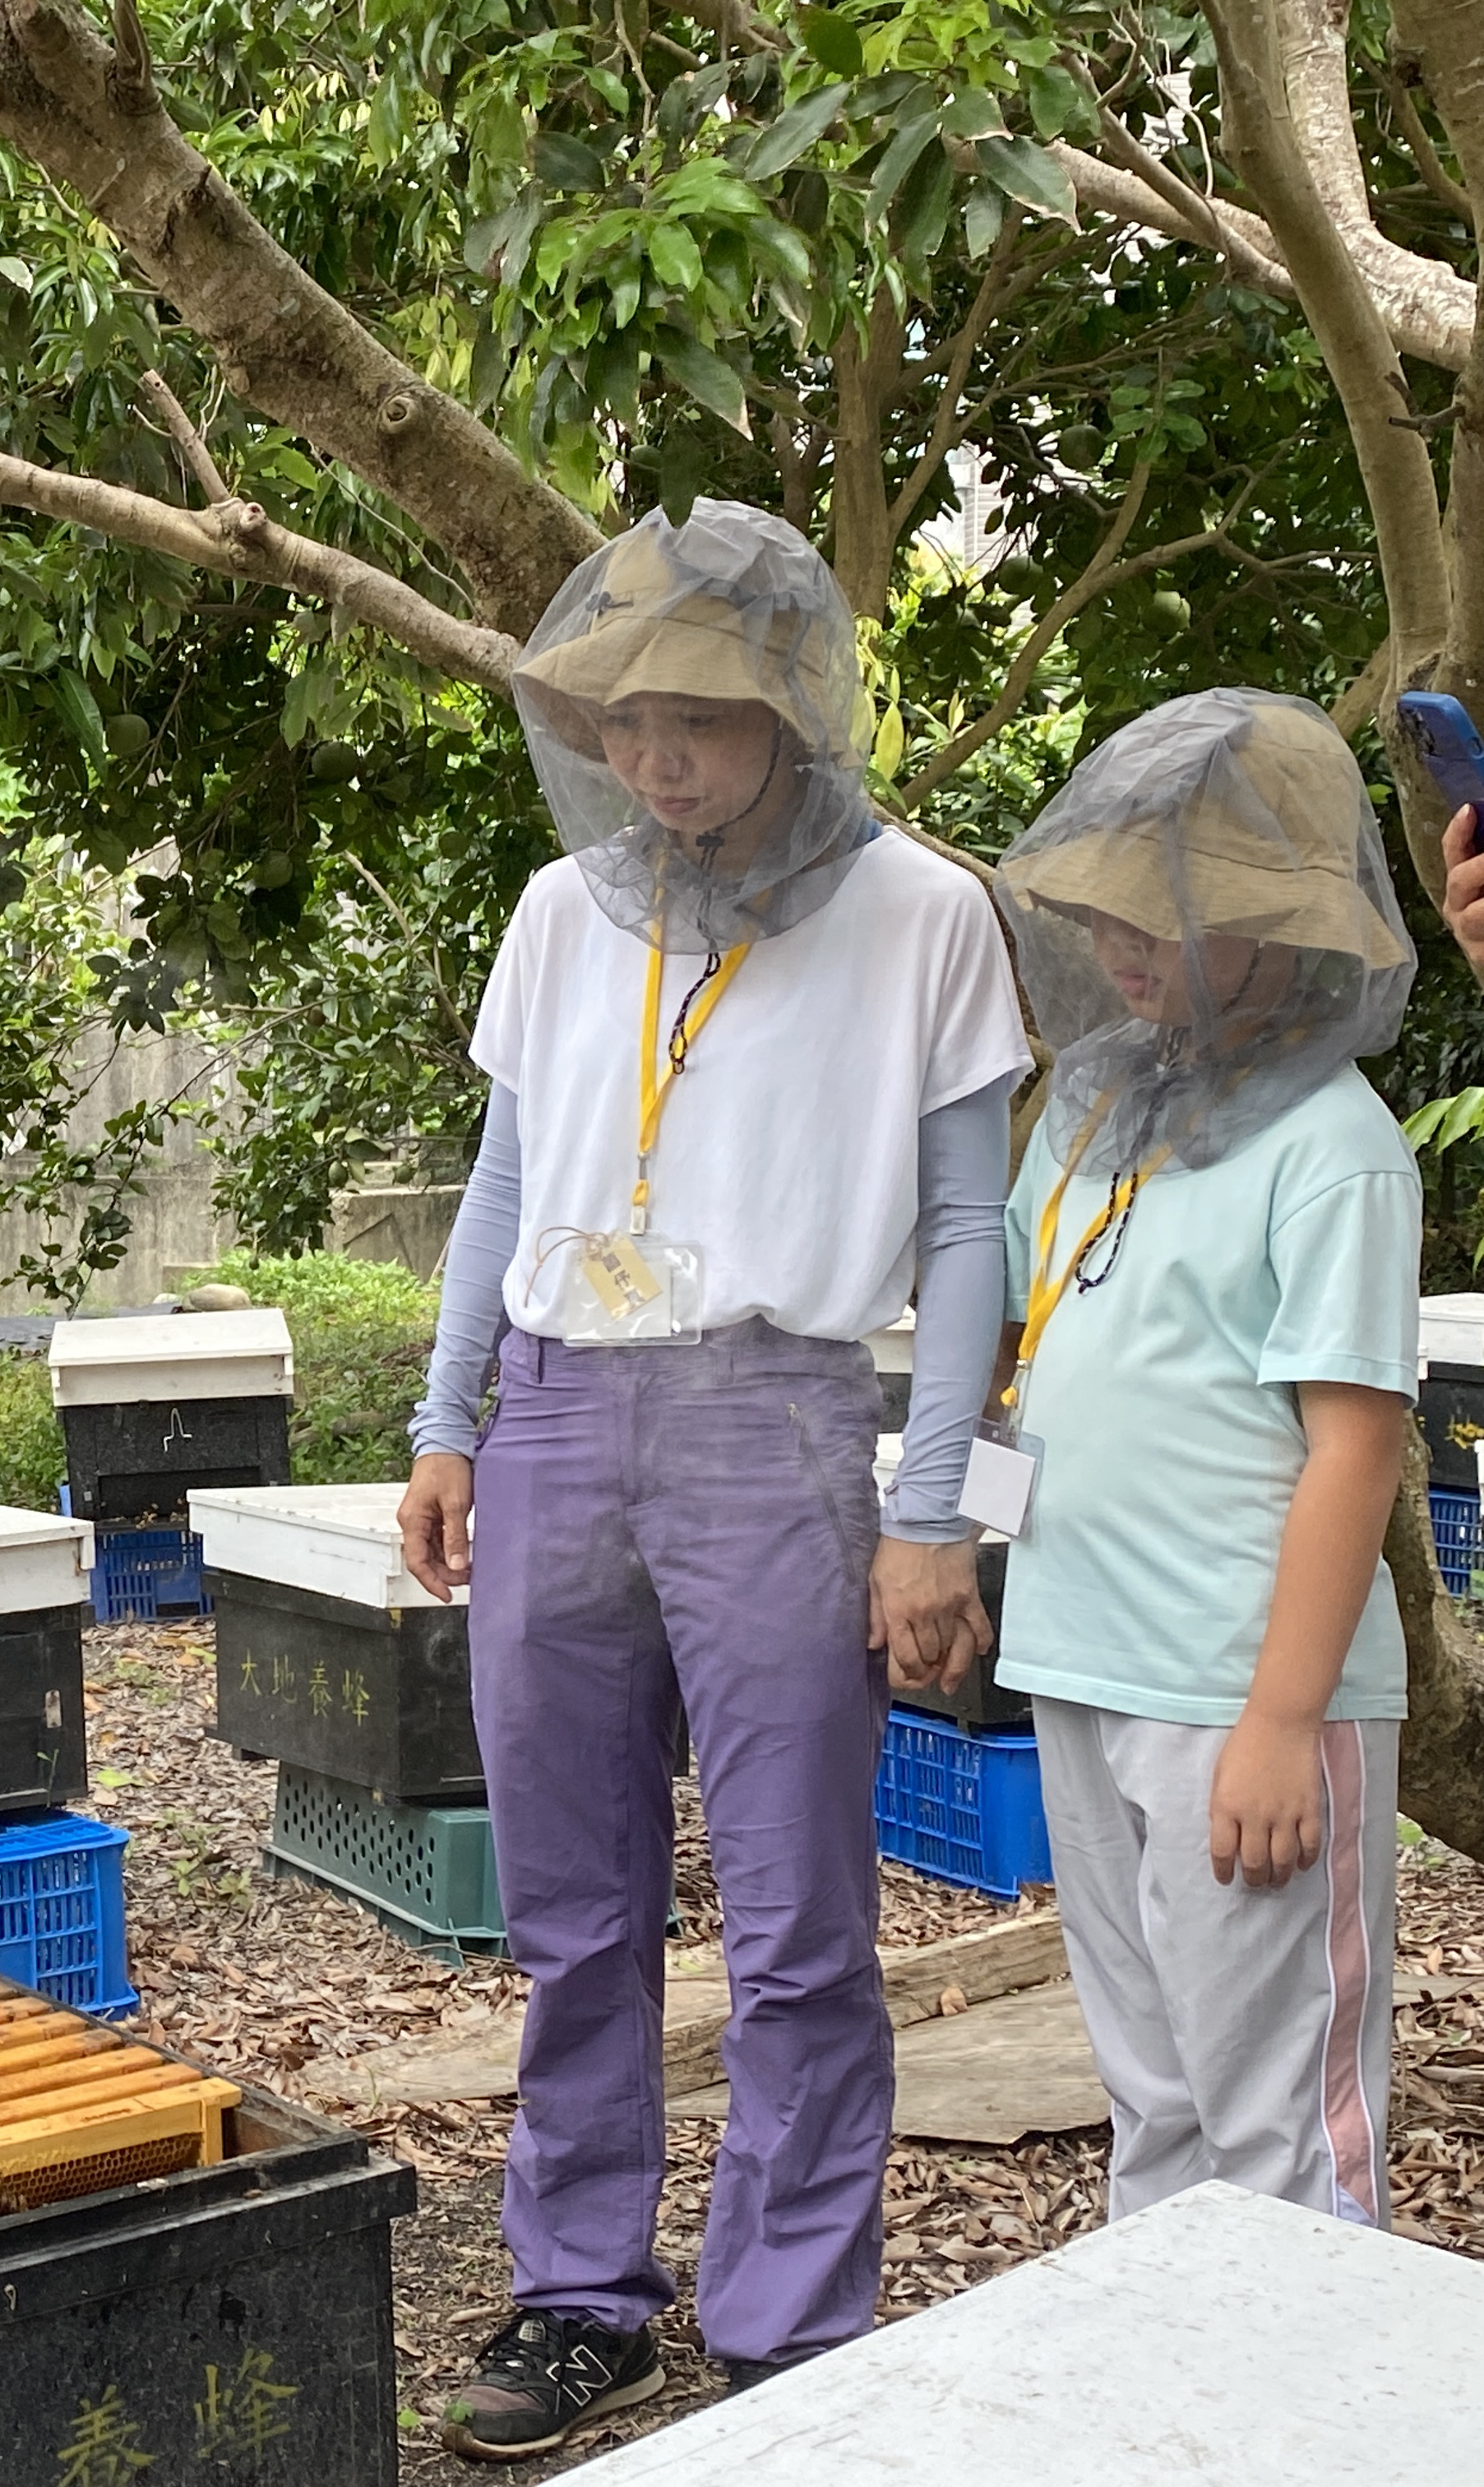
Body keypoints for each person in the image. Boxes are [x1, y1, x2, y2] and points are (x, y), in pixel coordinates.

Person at [398, 501, 1031, 2459]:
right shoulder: (560, 907)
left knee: (799, 1911)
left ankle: (792, 2318)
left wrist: (934, 1503)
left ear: (794, 715)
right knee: (576, 1910)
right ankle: (581, 2293)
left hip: (781, 1419)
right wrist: (446, 1415)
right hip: (562, 1412)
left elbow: (966, 1231)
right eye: (624, 718)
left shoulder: (922, 912)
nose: (655, 757)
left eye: (699, 718)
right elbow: (508, 1178)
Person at [989, 688, 1417, 2226]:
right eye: (1114, 906)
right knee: (1155, 2092)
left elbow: (1358, 1450)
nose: (1127, 943)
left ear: (1286, 927)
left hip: (1241, 1697)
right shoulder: (1101, 1108)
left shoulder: (1337, 1148)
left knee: (1284, 2120)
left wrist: (1278, 1724)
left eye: (1175, 912)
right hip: (1086, 1665)